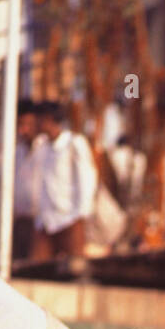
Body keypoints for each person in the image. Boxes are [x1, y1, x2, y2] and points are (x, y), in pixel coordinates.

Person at [32, 101, 98, 264]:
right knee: (38, 269)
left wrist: (80, 215)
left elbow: (87, 179)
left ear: (48, 120)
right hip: (46, 221)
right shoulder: (41, 146)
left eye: (40, 119)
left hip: (69, 219)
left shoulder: (74, 143)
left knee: (74, 269)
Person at [13, 98, 44, 261]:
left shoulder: (46, 148)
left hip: (42, 224)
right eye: (20, 125)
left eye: (27, 124)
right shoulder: (15, 152)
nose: (23, 130)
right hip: (19, 222)